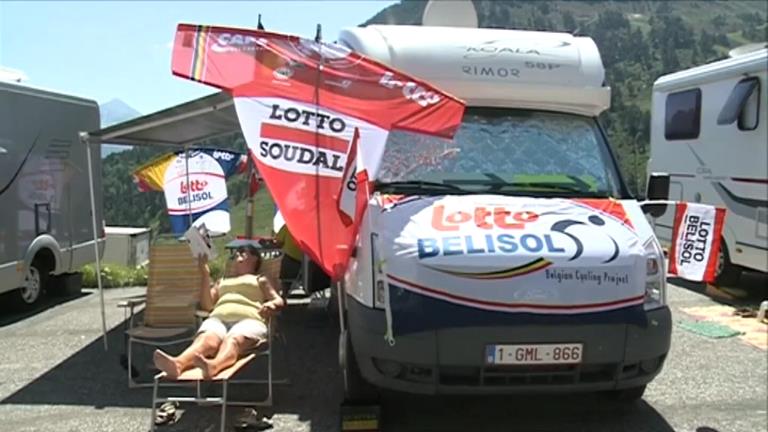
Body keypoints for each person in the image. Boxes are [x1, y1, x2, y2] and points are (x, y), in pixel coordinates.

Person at [152, 244, 284, 379]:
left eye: (243, 253)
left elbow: (278, 300)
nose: (238, 255)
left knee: (233, 340)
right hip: (218, 318)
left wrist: (271, 305)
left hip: (249, 319)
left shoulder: (261, 278)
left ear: (255, 258)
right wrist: (205, 275)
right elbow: (207, 305)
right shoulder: (223, 280)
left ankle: (213, 366)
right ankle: (178, 364)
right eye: (236, 254)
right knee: (205, 340)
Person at [274, 225, 303, 296]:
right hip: (309, 261)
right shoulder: (310, 226)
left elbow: (279, 243)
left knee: (283, 276)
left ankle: (284, 293)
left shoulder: (288, 226)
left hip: (291, 260)